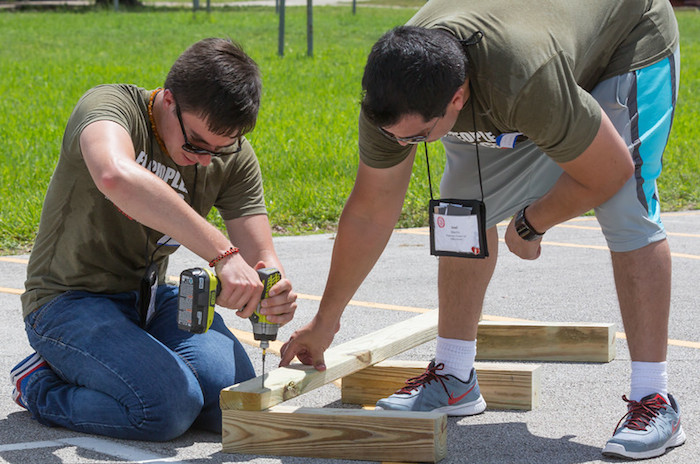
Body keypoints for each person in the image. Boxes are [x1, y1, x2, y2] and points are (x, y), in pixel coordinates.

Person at [280, 0, 684, 459]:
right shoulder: (393, 93)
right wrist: (325, 320)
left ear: (457, 97)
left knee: (624, 206)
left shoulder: (521, 78)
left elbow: (609, 170)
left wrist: (532, 224)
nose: (402, 146)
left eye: (415, 137)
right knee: (460, 210)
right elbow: (372, 210)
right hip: (531, 63)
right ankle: (454, 375)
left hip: (624, 41)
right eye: (395, 136)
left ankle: (655, 399)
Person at [10, 38, 297, 441]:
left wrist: (270, 288)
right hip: (68, 302)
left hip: (150, 301)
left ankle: (127, 362)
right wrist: (223, 255)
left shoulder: (229, 154)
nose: (204, 159)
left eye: (220, 148)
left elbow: (260, 253)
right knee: (166, 408)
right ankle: (40, 383)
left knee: (232, 403)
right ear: (166, 100)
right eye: (196, 143)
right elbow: (115, 175)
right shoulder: (110, 108)